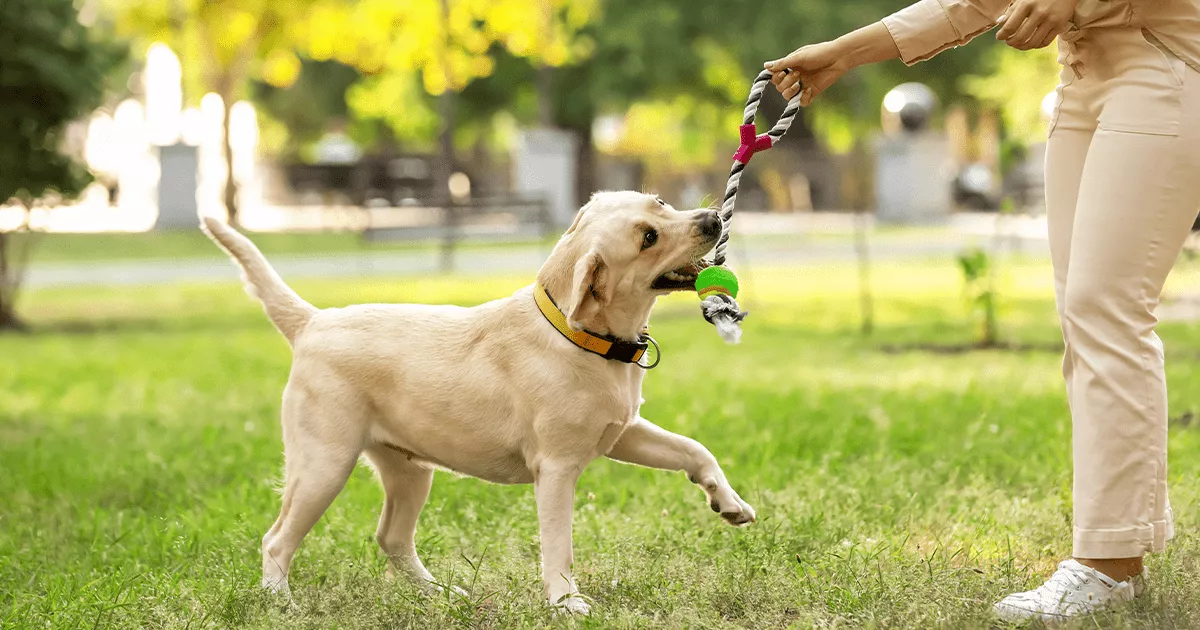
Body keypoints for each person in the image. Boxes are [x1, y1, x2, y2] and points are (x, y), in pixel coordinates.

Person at [765, 0, 1200, 622]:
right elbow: (970, 5)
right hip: (1080, 81)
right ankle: (1119, 550)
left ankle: (1107, 564)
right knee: (1085, 318)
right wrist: (843, 53)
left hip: (1167, 69)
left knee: (1105, 309)